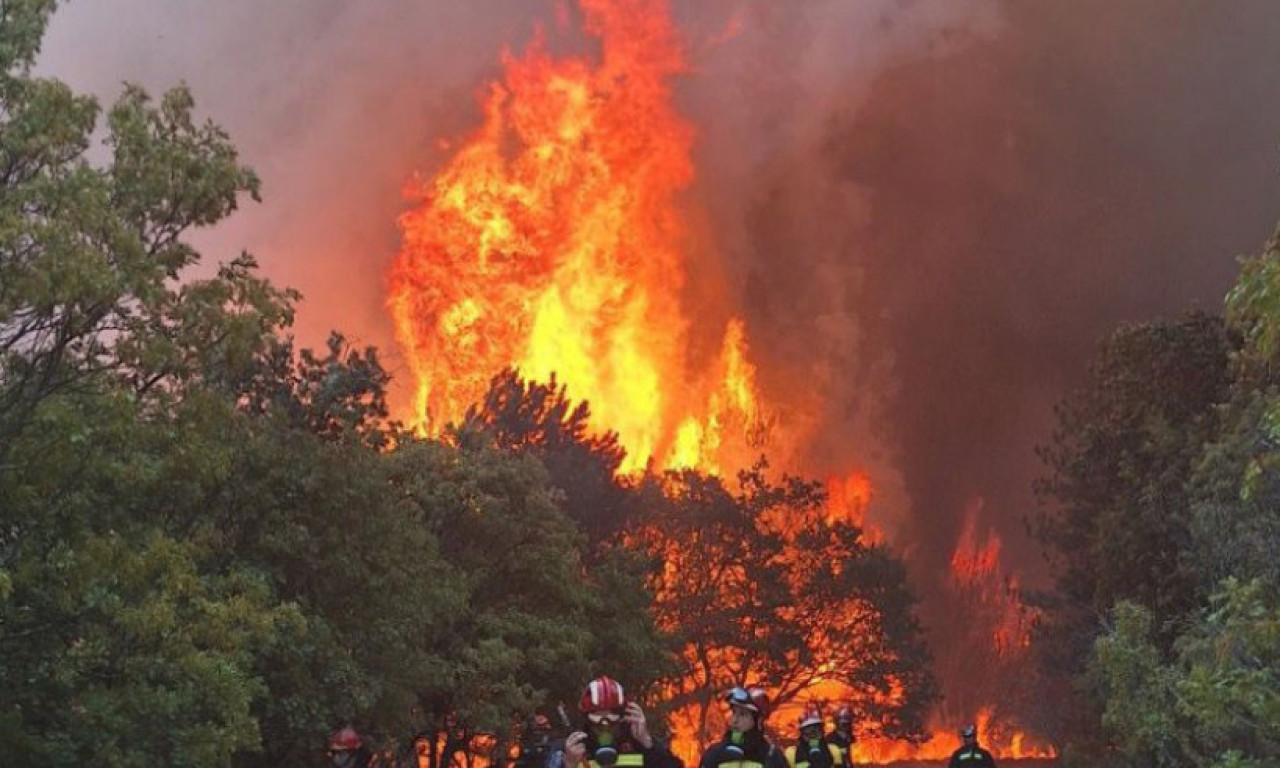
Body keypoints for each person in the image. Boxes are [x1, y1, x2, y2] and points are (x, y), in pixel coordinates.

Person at [562, 676, 682, 768]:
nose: (605, 723)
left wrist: (648, 744)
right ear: (586, 718)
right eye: (597, 715)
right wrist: (569, 765)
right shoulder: (572, 751)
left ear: (624, 715)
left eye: (612, 714)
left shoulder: (641, 746)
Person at [698, 686, 788, 768]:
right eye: (734, 712)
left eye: (743, 714)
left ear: (759, 720)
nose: (734, 720)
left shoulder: (772, 757)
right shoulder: (714, 755)